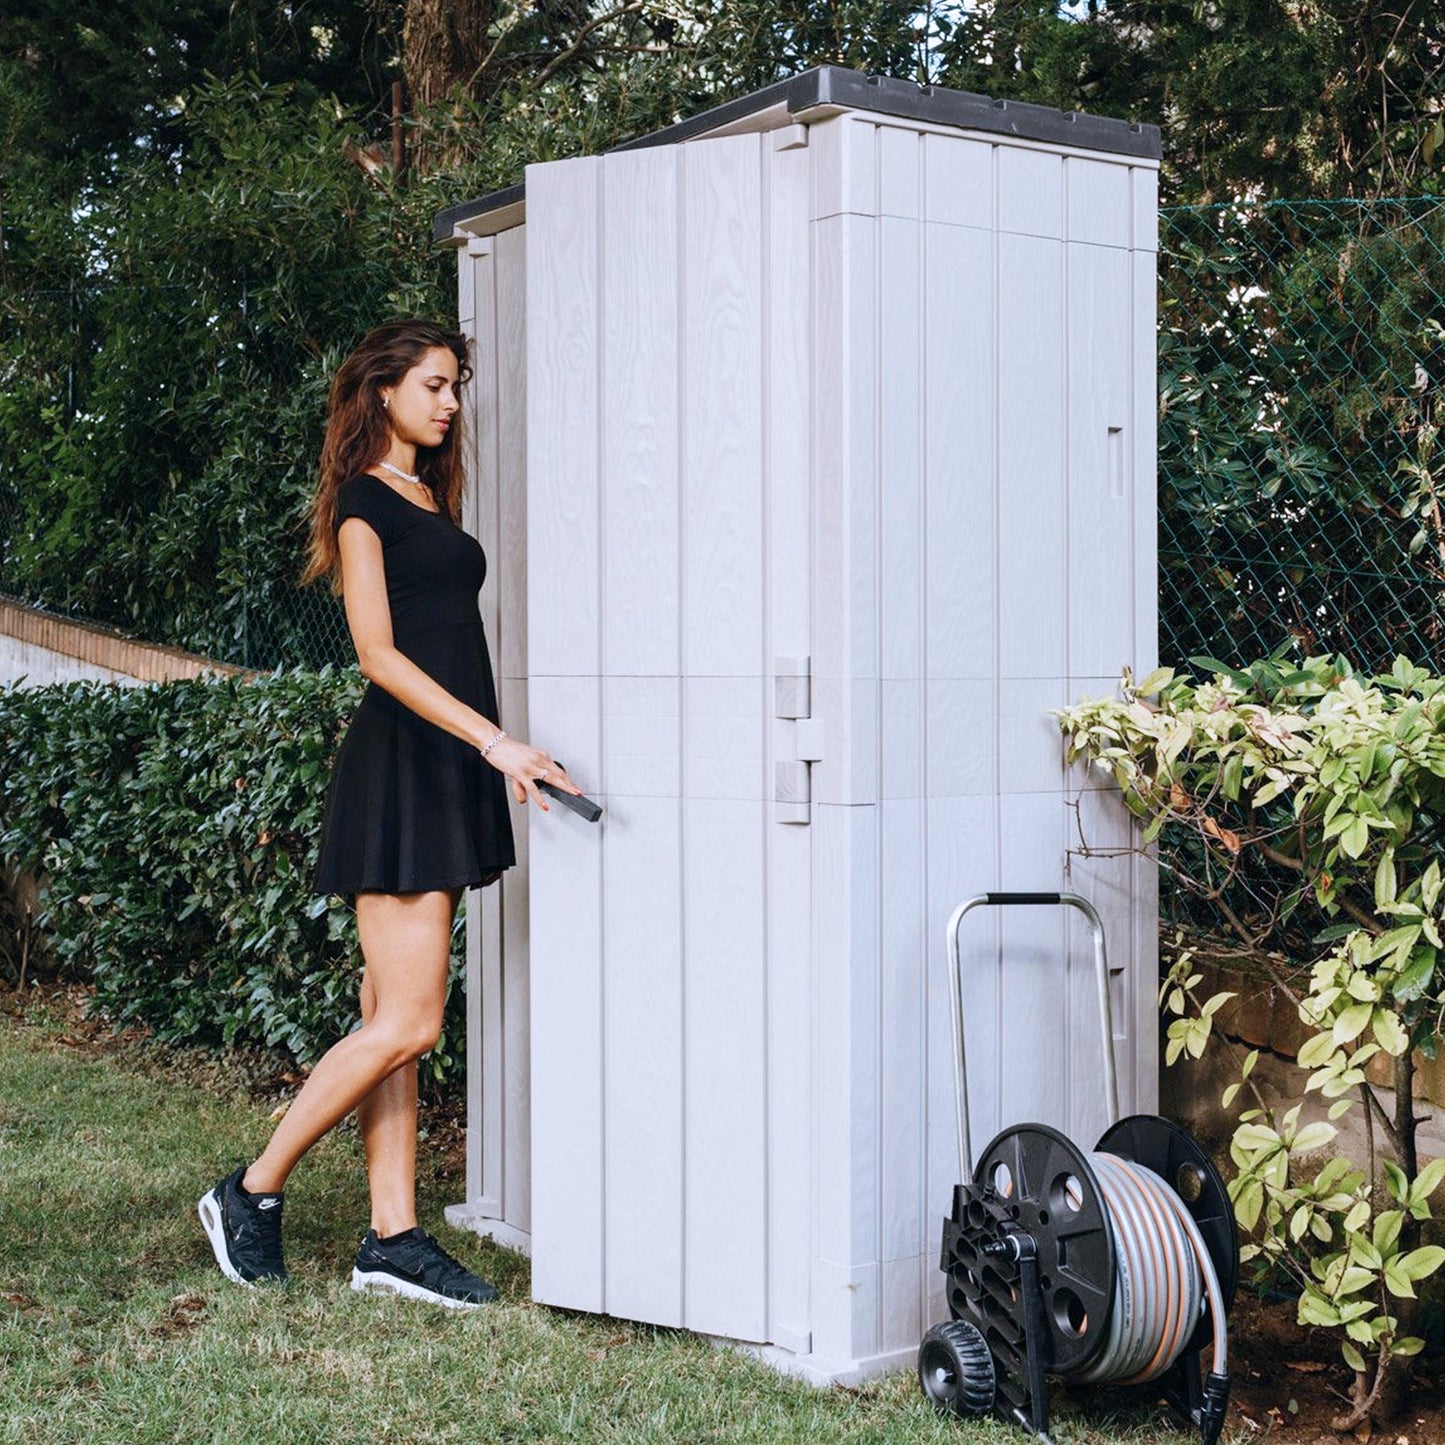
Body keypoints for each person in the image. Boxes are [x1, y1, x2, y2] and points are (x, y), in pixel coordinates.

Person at [198, 319, 580, 1309]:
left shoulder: (424, 496)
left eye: (455, 387)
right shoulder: (365, 501)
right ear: (380, 391)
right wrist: (491, 737)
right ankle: (248, 1188)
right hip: (403, 767)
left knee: (389, 1018)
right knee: (408, 1023)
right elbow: (376, 650)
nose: (450, 403)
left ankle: (393, 1235)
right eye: (433, 384)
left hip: (438, 766)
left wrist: (482, 743)